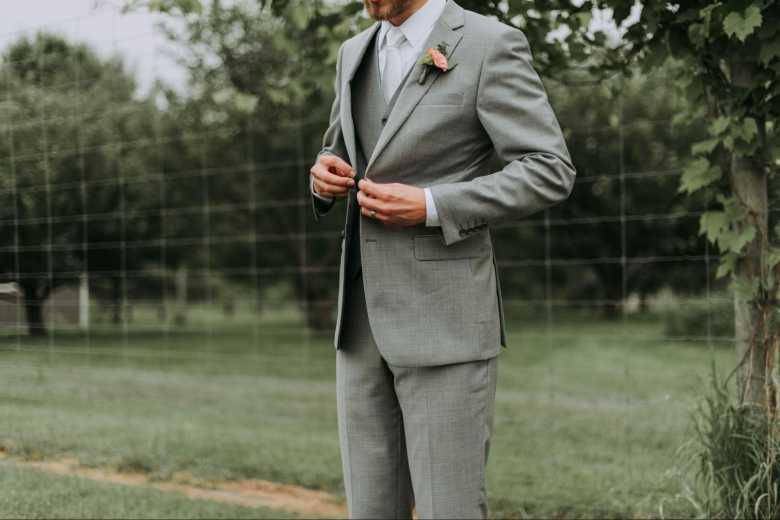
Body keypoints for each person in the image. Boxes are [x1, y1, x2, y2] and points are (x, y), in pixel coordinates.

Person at [308, 0, 575, 517]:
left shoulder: (489, 43)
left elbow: (549, 169)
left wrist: (433, 205)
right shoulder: (352, 52)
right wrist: (321, 176)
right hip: (360, 331)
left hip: (445, 325)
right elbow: (338, 147)